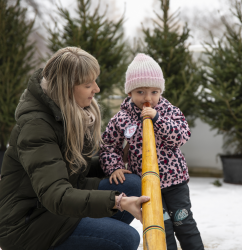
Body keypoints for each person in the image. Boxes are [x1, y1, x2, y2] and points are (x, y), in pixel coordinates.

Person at [0, 47, 149, 250]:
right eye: (88, 84)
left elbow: (73, 170)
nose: (96, 89)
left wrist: (117, 163)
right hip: (29, 223)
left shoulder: (69, 114)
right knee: (124, 239)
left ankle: (94, 239)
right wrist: (118, 202)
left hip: (54, 205)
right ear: (66, 88)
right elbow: (57, 195)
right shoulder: (36, 127)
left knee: (130, 183)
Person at [100, 53, 205, 250]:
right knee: (160, 226)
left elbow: (182, 136)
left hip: (175, 182)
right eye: (140, 92)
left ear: (160, 91)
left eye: (154, 92)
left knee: (184, 223)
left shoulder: (169, 111)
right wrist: (114, 167)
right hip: (147, 186)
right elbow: (108, 145)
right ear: (129, 92)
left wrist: (158, 119)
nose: (148, 98)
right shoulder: (122, 118)